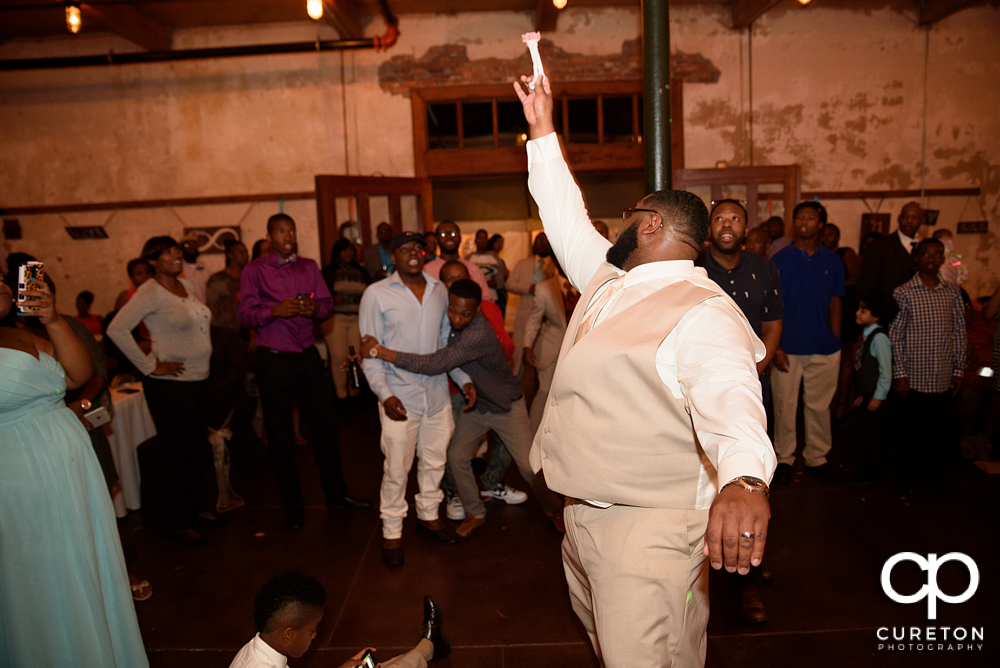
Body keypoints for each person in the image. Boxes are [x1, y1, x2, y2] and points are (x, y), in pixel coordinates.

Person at [516, 70, 775, 667]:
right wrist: (542, 130)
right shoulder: (610, 281)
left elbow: (732, 398)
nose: (615, 223)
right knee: (655, 651)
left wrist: (743, 480)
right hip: (583, 517)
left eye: (628, 214)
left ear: (651, 225)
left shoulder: (705, 312)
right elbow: (562, 215)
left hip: (649, 534)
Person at [0, 275, 149, 667]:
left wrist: (52, 319)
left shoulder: (19, 332)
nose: (2, 284)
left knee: (82, 559)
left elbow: (78, 376)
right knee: (41, 572)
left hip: (68, 466)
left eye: (2, 278)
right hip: (19, 473)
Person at [361, 278, 564, 539]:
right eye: (452, 311)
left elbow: (435, 362)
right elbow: (428, 343)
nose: (457, 318)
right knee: (457, 457)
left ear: (477, 310)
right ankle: (476, 512)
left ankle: (555, 508)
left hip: (505, 405)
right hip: (478, 404)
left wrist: (379, 351)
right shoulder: (453, 324)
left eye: (465, 313)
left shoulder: (478, 332)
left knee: (527, 466)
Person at [238, 214, 370, 530]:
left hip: (307, 355)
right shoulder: (255, 270)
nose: (288, 235)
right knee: (281, 435)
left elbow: (327, 305)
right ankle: (293, 506)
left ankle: (337, 494)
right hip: (274, 359)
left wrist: (315, 309)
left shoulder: (309, 267)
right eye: (281, 231)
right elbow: (244, 316)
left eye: (292, 230)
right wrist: (274, 312)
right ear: (269, 236)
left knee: (325, 427)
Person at [359, 232, 473, 566]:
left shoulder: (439, 290)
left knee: (435, 461)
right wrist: (385, 395)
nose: (412, 254)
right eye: (403, 249)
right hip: (399, 396)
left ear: (424, 254)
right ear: (391, 257)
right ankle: (392, 532)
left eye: (416, 248)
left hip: (436, 394)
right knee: (397, 469)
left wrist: (463, 379)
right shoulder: (376, 295)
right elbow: (370, 352)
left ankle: (428, 516)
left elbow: (443, 344)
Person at [697, 199, 784, 624]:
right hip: (700, 400)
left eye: (735, 218)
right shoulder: (694, 269)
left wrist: (749, 373)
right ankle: (700, 584)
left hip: (750, 392)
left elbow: (772, 326)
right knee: (704, 489)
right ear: (709, 228)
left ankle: (749, 579)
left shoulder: (763, 269)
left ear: (746, 228)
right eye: (720, 218)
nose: (727, 224)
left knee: (751, 486)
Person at [107, 236, 225, 545]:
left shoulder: (184, 286)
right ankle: (179, 520)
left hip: (200, 379)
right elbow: (116, 329)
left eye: (176, 250)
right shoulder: (149, 292)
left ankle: (199, 507)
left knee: (197, 449)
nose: (175, 255)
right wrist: (149, 366)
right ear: (153, 261)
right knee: (176, 452)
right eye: (167, 252)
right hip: (171, 386)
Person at [434, 260, 524, 523]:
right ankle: (455, 492)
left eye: (462, 276)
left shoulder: (489, 309)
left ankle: (490, 482)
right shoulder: (440, 313)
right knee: (455, 445)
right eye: (449, 279)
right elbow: (438, 356)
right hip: (452, 386)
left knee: (507, 440)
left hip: (488, 387)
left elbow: (506, 347)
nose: (457, 282)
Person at [231, 571, 450, 668]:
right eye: (312, 630)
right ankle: (428, 647)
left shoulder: (254, 652)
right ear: (288, 634)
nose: (315, 635)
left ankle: (428, 648)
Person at [770, 202, 845, 484]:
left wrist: (835, 339)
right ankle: (784, 458)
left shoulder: (832, 261)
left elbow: (836, 302)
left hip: (824, 347)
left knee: (819, 406)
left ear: (820, 224)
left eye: (810, 218)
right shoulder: (779, 259)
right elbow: (773, 307)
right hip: (787, 348)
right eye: (799, 216)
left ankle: (817, 457)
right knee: (784, 405)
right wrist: (775, 346)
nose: (804, 222)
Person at [889, 238, 967, 493]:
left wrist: (958, 370)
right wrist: (899, 372)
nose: (931, 260)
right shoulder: (904, 292)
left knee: (937, 431)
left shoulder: (952, 291)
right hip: (914, 375)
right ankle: (907, 479)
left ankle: (933, 475)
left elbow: (959, 332)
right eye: (926, 255)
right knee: (910, 430)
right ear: (917, 259)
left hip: (942, 375)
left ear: (943, 259)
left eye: (936, 255)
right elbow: (896, 335)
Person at [205, 239, 251, 513]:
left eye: (246, 251)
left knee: (248, 390)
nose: (244, 254)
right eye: (240, 251)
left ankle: (248, 449)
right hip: (226, 337)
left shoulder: (250, 277)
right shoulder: (219, 280)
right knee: (231, 390)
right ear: (229, 254)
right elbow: (210, 310)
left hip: (246, 336)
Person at [522, 259, 571, 435]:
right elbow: (534, 321)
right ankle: (530, 435)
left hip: (579, 348)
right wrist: (527, 345)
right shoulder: (544, 289)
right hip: (552, 347)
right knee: (544, 392)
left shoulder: (589, 282)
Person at [321, 237, 373, 399]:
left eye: (351, 249)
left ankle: (355, 391)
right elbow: (318, 294)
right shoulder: (329, 272)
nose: (349, 252)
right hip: (336, 320)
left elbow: (371, 294)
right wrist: (332, 296)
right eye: (345, 249)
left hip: (357, 320)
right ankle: (341, 394)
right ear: (338, 253)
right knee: (339, 357)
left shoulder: (362, 272)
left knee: (357, 357)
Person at [820, 223, 862, 419]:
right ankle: (831, 399)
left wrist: (830, 286)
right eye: (824, 234)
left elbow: (856, 278)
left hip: (844, 308)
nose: (827, 237)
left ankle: (843, 401)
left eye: (831, 234)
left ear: (837, 237)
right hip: (824, 309)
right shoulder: (818, 256)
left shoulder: (846, 253)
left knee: (844, 356)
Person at [852, 293, 894, 486]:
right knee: (866, 436)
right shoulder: (867, 336)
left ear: (876, 316)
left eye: (863, 310)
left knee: (874, 438)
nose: (857, 313)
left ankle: (874, 475)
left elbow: (886, 372)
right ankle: (866, 472)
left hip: (876, 396)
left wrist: (878, 397)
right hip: (868, 393)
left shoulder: (879, 339)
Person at [507, 232, 554, 377]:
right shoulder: (523, 264)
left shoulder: (557, 265)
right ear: (534, 245)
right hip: (524, 320)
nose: (544, 244)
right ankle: (515, 396)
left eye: (547, 241)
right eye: (540, 241)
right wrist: (530, 288)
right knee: (517, 364)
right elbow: (509, 284)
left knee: (544, 365)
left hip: (548, 324)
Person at [857, 201, 924, 301]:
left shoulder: (925, 247)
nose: (909, 221)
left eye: (915, 217)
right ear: (899, 218)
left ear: (922, 220)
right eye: (905, 216)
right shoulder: (879, 246)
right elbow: (866, 285)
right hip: (888, 310)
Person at [423, 221, 493, 301]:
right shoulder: (426, 270)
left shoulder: (473, 268)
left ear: (460, 238)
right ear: (436, 240)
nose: (449, 236)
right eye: (443, 234)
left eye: (453, 233)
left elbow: (486, 299)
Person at [180, 235, 210, 303]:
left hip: (204, 307)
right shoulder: (179, 269)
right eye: (187, 245)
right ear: (181, 249)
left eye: (194, 244)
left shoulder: (205, 268)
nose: (191, 247)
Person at [488, 234, 510, 316]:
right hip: (492, 291)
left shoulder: (501, 260)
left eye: (502, 242)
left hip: (501, 291)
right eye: (498, 242)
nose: (500, 244)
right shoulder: (488, 258)